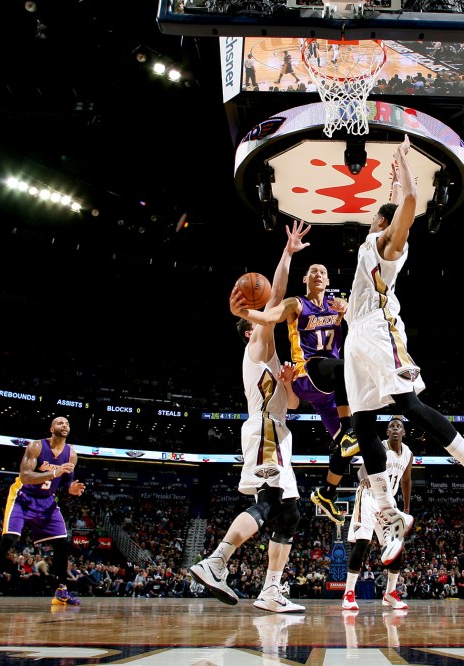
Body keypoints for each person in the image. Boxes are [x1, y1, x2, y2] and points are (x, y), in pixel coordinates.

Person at [341, 134, 464, 565]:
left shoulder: (388, 246)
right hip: (356, 335)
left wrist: (403, 167)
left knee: (408, 405)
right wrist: (394, 180)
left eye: (380, 216)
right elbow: (396, 202)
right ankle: (388, 513)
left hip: (379, 330)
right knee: (361, 425)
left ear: (381, 223)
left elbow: (408, 206)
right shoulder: (369, 247)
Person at [189, 220, 310, 614]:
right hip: (265, 432)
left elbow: (291, 406)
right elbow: (274, 299)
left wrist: (290, 382)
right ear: (250, 330)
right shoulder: (257, 342)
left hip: (280, 431)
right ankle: (216, 561)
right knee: (272, 500)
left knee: (290, 512)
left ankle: (270, 591)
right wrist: (287, 255)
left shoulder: (273, 360)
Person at [231, 255, 357, 524]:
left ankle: (327, 493)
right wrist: (243, 312)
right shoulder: (296, 304)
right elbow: (270, 313)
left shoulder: (337, 306)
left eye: (323, 271)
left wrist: (348, 311)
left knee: (352, 450)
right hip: (308, 374)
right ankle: (348, 430)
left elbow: (361, 329)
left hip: (327, 390)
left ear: (329, 280)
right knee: (345, 368)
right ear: (305, 279)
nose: (318, 274)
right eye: (313, 270)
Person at [0, 416, 86, 607]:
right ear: (51, 428)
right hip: (23, 497)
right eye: (60, 423)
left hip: (47, 501)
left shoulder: (71, 454)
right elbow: (25, 476)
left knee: (62, 544)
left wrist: (71, 488)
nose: (65, 425)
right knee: (9, 539)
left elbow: (65, 482)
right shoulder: (36, 447)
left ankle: (61, 590)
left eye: (67, 423)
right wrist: (54, 472)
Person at [341, 416, 413, 611]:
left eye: (399, 426)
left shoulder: (408, 453)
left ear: (404, 432)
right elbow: (361, 470)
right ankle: (348, 593)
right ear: (387, 432)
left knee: (396, 546)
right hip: (369, 496)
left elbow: (406, 481)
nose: (396, 429)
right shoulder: (379, 447)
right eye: (392, 426)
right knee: (362, 542)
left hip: (388, 502)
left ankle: (390, 593)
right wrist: (364, 478)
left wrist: (405, 510)